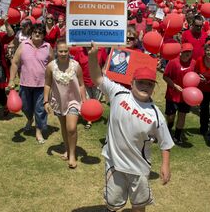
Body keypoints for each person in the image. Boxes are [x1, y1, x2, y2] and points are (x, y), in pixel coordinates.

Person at [88, 42, 173, 212]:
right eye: (141, 82)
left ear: (154, 88)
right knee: (113, 205)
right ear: (132, 82)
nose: (145, 87)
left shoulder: (155, 114)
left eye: (149, 84)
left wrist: (165, 165)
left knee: (139, 205)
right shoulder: (118, 93)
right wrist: (92, 56)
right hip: (114, 164)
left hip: (139, 168)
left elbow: (166, 143)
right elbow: (97, 78)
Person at [44, 40, 86, 168]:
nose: (63, 53)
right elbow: (47, 84)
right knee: (64, 127)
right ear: (56, 51)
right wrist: (46, 100)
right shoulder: (51, 66)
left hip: (74, 101)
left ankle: (72, 155)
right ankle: (67, 149)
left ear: (69, 52)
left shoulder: (75, 65)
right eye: (60, 51)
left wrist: (84, 101)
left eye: (65, 51)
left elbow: (81, 84)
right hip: (59, 101)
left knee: (71, 128)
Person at [8, 24, 54, 144]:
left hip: (42, 86)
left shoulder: (48, 46)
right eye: (35, 32)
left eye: (40, 32)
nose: (37, 34)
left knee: (40, 110)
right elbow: (15, 63)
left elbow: (52, 65)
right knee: (26, 108)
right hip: (25, 84)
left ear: (44, 34)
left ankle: (38, 131)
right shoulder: (24, 45)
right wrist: (11, 80)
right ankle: (29, 119)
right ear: (31, 33)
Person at [163, 43, 196, 144]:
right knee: (171, 116)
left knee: (182, 116)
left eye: (189, 52)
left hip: (186, 96)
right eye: (185, 51)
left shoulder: (193, 63)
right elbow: (165, 76)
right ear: (181, 52)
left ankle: (177, 136)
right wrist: (174, 86)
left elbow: (195, 76)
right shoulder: (173, 62)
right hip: (172, 94)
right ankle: (167, 131)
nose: (187, 54)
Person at [69, 45, 108, 129]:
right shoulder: (80, 50)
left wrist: (104, 71)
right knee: (86, 100)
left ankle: (94, 114)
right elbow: (74, 64)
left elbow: (106, 62)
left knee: (96, 100)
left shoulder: (101, 49)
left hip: (98, 81)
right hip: (84, 81)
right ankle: (89, 120)